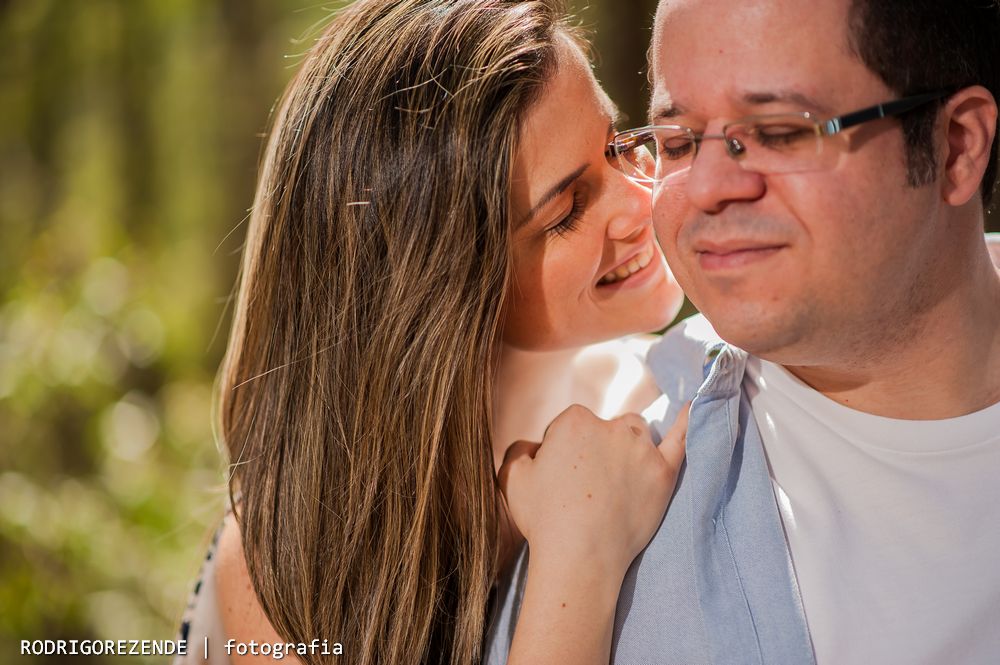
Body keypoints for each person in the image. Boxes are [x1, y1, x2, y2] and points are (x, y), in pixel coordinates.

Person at [175, 1, 691, 664]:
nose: (644, 200)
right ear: (437, 289)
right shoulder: (283, 562)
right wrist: (578, 558)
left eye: (617, 145)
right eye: (565, 212)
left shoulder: (676, 401)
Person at [485, 0, 1000, 663]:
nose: (706, 187)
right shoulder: (603, 549)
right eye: (677, 142)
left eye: (779, 132)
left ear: (955, 145)